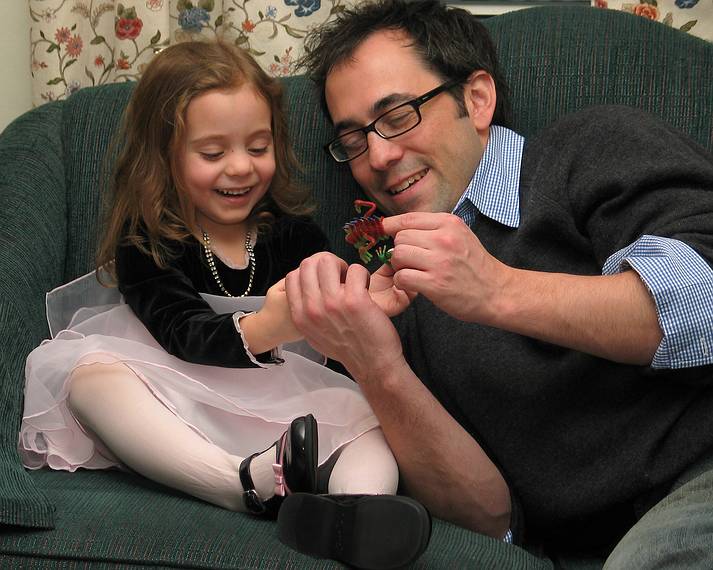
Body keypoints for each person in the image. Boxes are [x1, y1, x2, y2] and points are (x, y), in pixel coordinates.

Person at [285, 0, 713, 567]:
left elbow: (703, 304)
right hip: (572, 549)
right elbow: (491, 521)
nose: (380, 157)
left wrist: (495, 290)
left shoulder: (587, 149)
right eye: (356, 139)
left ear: (477, 98)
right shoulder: (387, 289)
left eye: (399, 115)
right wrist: (377, 366)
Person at [18, 40, 400, 520]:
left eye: (258, 147)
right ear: (164, 157)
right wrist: (270, 325)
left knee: (369, 424)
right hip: (179, 406)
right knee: (88, 380)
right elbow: (182, 333)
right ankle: (237, 483)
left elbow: (333, 324)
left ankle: (357, 515)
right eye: (213, 151)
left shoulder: (295, 236)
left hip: (280, 410)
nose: (241, 166)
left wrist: (362, 302)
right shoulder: (148, 242)